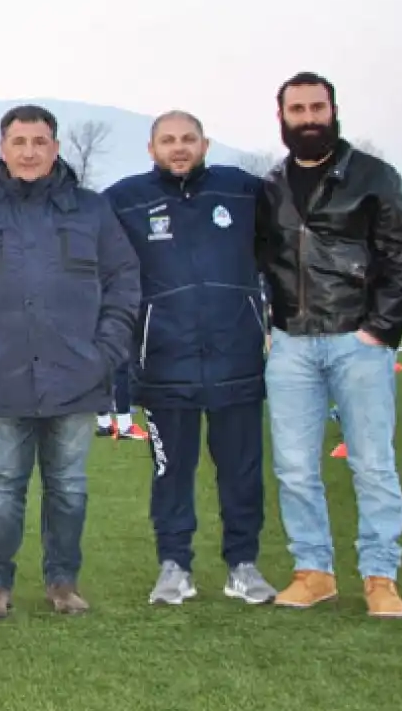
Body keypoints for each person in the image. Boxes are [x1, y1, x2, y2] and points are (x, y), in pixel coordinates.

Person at [0, 105, 141, 621]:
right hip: (1, 374)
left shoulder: (93, 211)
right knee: (2, 486)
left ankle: (62, 580)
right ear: (2, 148)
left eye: (39, 141)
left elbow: (124, 282)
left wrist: (107, 352)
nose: (29, 151)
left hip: (78, 375)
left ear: (55, 148)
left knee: (69, 488)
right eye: (18, 141)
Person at [256, 71, 402, 619]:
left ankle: (380, 577)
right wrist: (267, 325)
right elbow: (263, 263)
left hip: (357, 341)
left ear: (333, 110)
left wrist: (379, 331)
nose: (308, 118)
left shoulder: (373, 177)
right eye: (297, 109)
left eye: (316, 107)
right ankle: (314, 571)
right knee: (295, 468)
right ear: (281, 116)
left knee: (373, 465)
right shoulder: (273, 184)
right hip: (291, 345)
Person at [104, 111, 278, 607]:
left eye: (188, 139)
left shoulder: (242, 191)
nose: (178, 147)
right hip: (163, 365)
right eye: (168, 140)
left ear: (205, 144)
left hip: (237, 360)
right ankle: (174, 566)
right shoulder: (125, 199)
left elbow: (280, 249)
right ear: (151, 147)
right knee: (170, 474)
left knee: (242, 472)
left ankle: (243, 565)